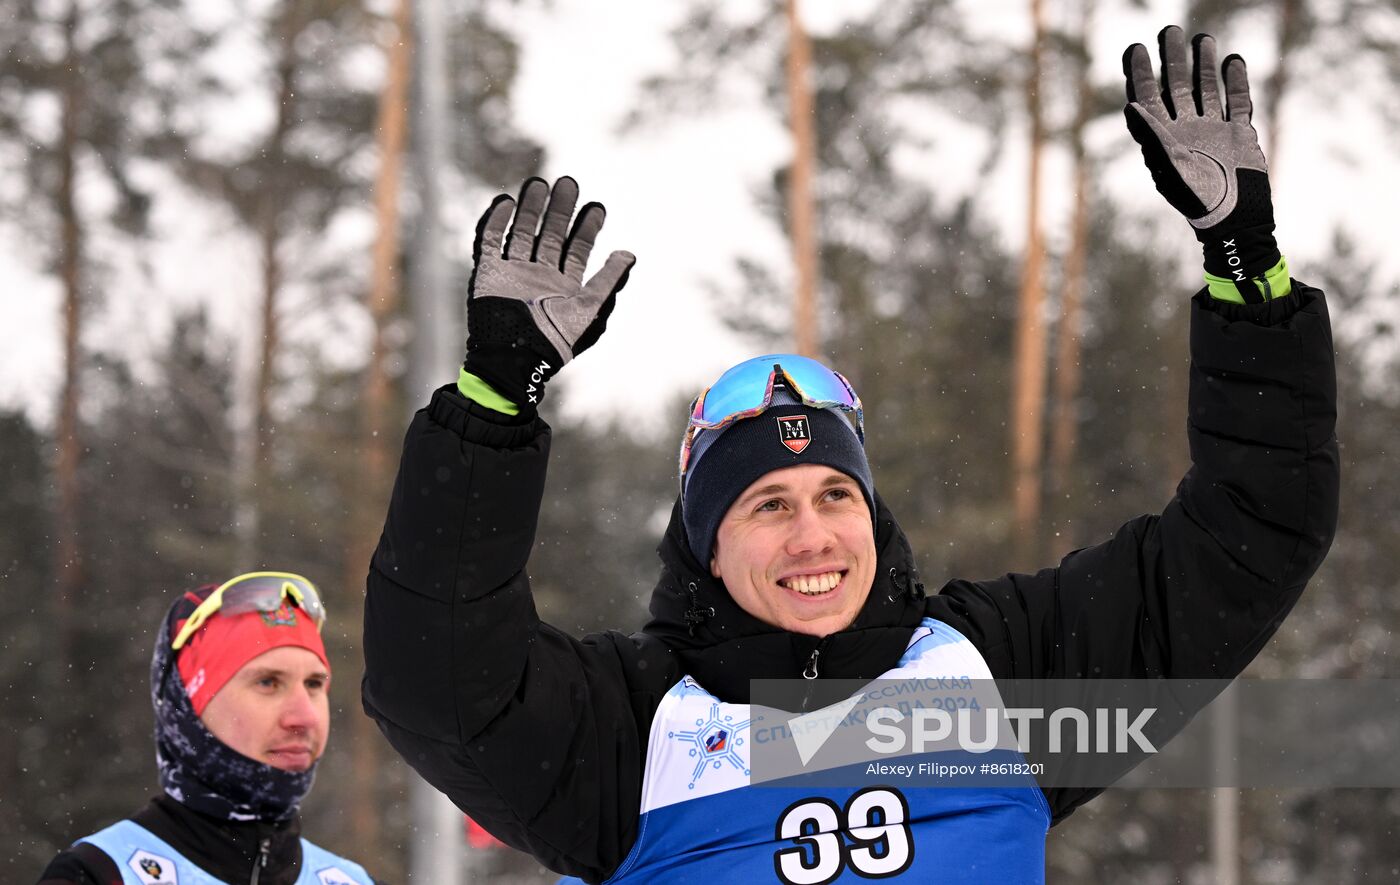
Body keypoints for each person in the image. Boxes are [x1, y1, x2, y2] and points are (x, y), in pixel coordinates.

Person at [361, 26, 1338, 883]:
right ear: (707, 543)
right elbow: (436, 685)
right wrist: (491, 408)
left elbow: (1252, 530)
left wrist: (1243, 263)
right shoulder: (629, 730)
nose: (812, 533)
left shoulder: (1002, 674)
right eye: (767, 505)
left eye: (835, 493)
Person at [39, 572, 381, 885]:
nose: (304, 716)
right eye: (267, 682)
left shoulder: (353, 881)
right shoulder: (102, 873)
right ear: (188, 706)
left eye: (314, 683)